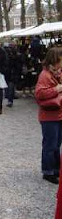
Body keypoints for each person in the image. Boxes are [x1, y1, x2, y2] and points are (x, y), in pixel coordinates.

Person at [34, 47, 62, 184]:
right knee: (50, 144)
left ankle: (56, 169)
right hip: (49, 116)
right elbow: (39, 94)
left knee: (56, 144)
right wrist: (56, 89)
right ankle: (48, 171)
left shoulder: (57, 73)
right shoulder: (45, 75)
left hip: (58, 114)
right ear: (55, 60)